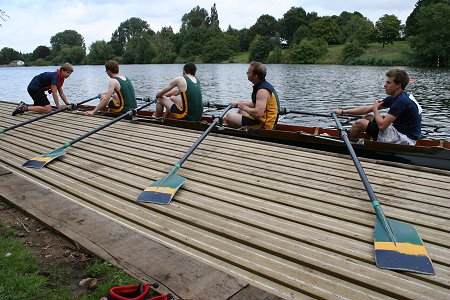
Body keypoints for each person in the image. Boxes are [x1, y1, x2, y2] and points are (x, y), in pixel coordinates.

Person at [333, 68, 422, 145]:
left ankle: (343, 143)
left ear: (398, 85)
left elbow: (382, 126)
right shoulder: (397, 97)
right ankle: (357, 141)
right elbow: (367, 109)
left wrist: (375, 109)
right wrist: (342, 112)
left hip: (405, 139)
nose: (385, 85)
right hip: (400, 132)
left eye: (388, 83)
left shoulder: (401, 101)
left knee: (359, 123)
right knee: (368, 117)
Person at [224, 61, 279, 130]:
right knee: (240, 111)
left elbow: (259, 113)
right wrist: (239, 103)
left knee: (229, 116)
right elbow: (256, 104)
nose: (246, 73)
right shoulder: (261, 85)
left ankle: (229, 132)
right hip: (262, 119)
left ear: (255, 77)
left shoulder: (262, 91)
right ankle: (242, 130)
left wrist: (243, 107)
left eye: (249, 72)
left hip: (265, 126)